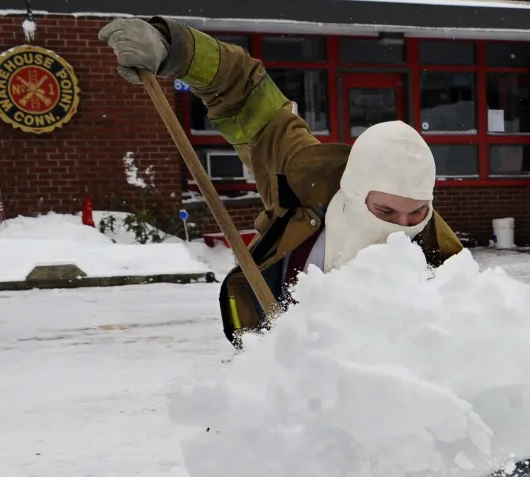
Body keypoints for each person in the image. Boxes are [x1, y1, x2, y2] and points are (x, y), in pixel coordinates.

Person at [98, 17, 463, 346]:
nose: (401, 229)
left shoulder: (447, 267)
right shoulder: (303, 177)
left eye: (416, 213)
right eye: (385, 210)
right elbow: (243, 90)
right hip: (278, 390)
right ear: (352, 191)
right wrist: (173, 48)